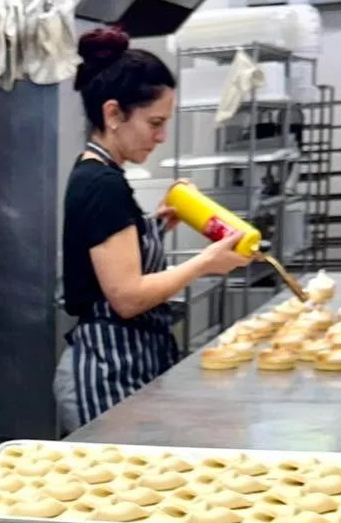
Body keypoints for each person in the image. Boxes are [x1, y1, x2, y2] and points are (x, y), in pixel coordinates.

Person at [55, 27, 252, 431]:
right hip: (108, 370)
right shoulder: (100, 184)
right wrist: (204, 263)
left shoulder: (101, 174)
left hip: (129, 363)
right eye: (155, 123)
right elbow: (126, 297)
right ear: (113, 114)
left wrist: (155, 226)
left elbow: (109, 258)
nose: (161, 137)